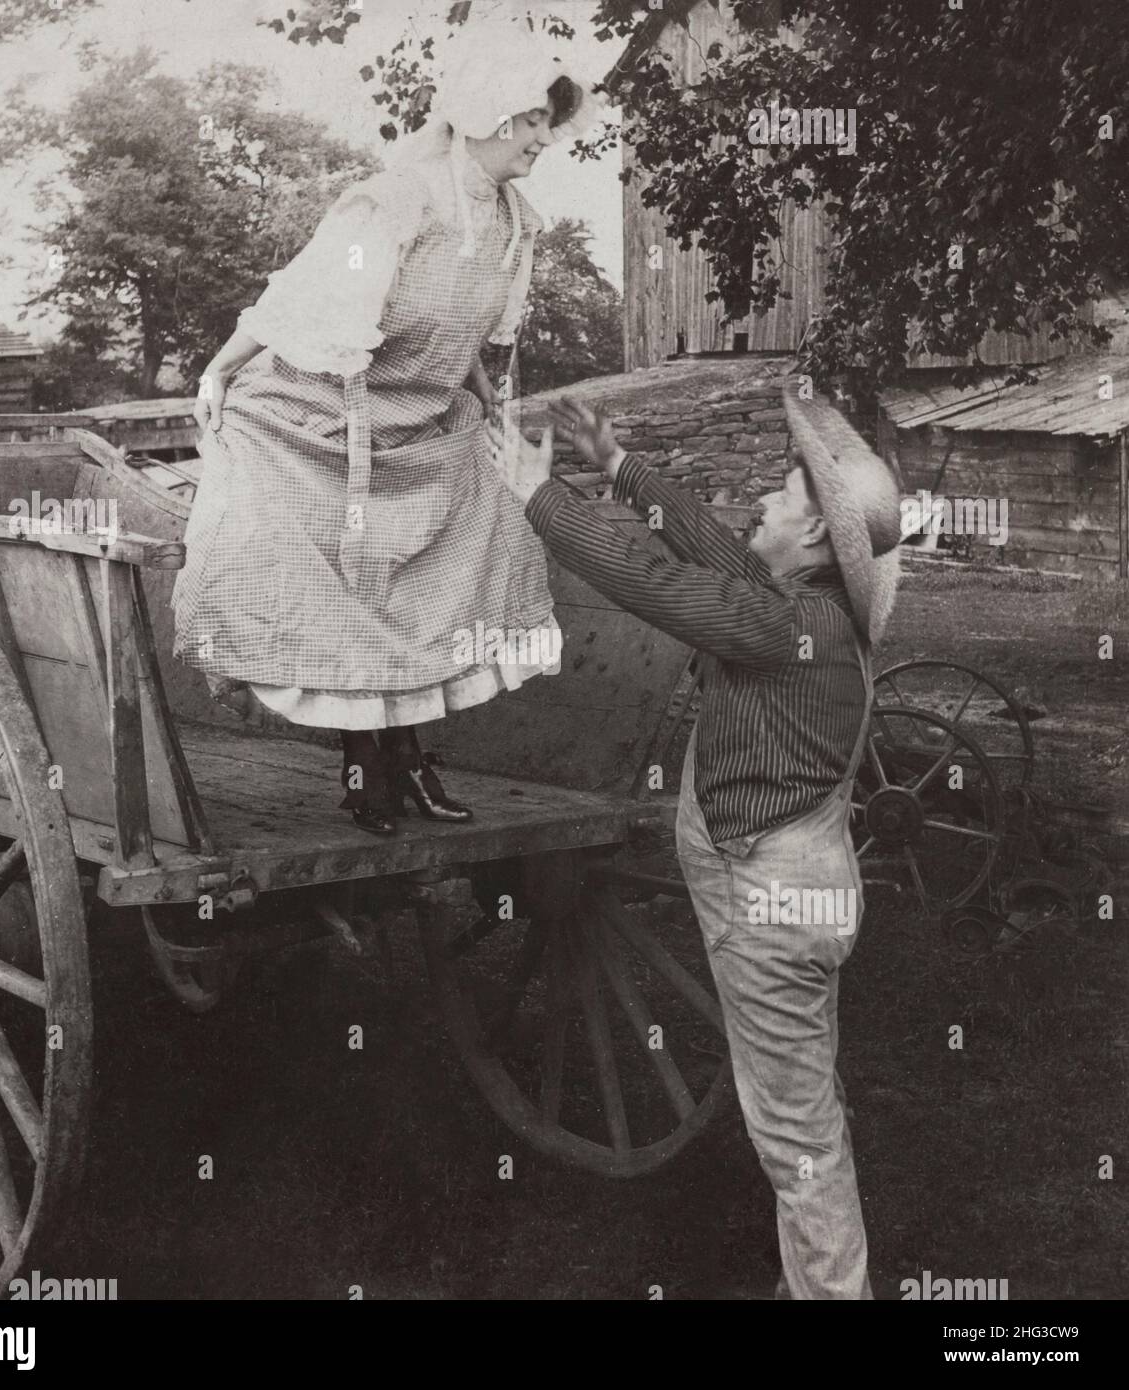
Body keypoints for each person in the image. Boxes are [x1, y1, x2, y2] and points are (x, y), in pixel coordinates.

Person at [491, 385, 903, 1300]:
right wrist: (615, 463)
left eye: (782, 495)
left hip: (772, 902)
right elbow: (708, 547)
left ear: (812, 543)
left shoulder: (787, 625)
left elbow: (660, 585)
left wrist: (537, 499)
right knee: (803, 1113)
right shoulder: (799, 606)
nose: (760, 500)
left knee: (796, 1137)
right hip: (790, 887)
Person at [172, 20, 601, 835]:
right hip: (315, 425)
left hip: (421, 423)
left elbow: (471, 339)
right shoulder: (395, 203)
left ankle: (406, 759)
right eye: (533, 120)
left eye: (550, 121)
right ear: (489, 113)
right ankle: (368, 766)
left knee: (461, 559)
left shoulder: (515, 223)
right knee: (339, 588)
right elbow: (300, 299)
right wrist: (220, 369)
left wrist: (488, 405)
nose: (544, 138)